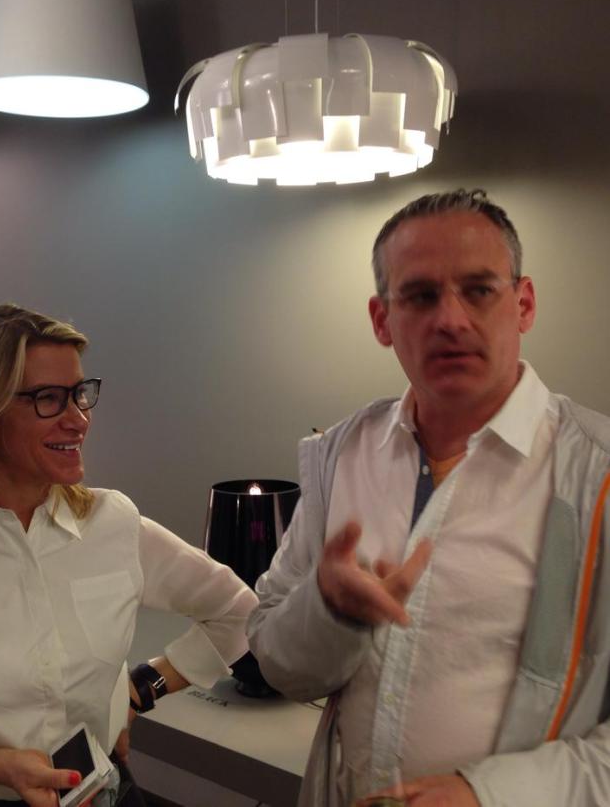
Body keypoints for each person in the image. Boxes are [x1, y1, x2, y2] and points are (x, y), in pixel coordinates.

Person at [247, 189, 610, 807]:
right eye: (419, 296)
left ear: (523, 303)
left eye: (479, 290)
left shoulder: (596, 477)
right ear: (381, 320)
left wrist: (487, 796)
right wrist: (329, 609)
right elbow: (281, 668)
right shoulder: (342, 454)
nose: (451, 320)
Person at [0, 303, 258, 807]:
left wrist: (140, 690)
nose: (79, 420)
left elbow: (240, 613)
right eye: (48, 399)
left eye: (79, 394)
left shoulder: (113, 524)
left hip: (105, 793)